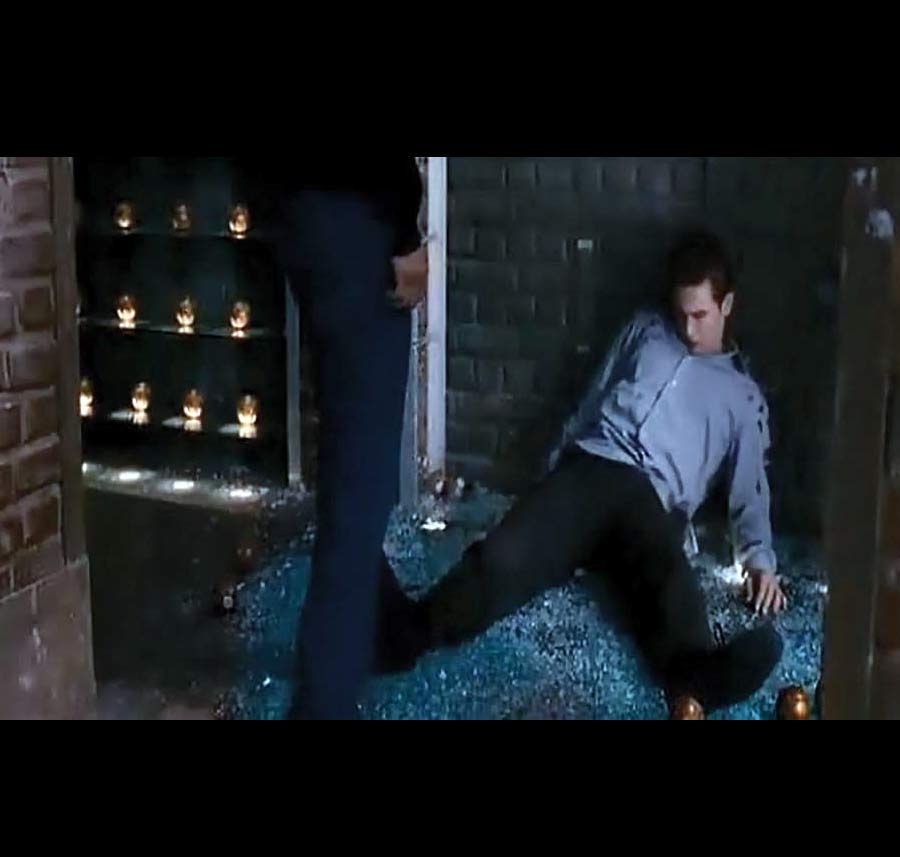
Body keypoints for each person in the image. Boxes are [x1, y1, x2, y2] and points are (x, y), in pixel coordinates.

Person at [388, 230, 786, 715]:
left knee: (665, 578)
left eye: (700, 316)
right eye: (681, 313)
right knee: (505, 558)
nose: (687, 328)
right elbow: (593, 398)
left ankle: (699, 675)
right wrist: (552, 480)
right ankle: (408, 633)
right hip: (595, 464)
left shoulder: (742, 397)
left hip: (652, 496)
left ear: (727, 306)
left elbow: (751, 489)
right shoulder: (646, 330)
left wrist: (759, 561)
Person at [274, 157, 428, 719]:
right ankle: (324, 702)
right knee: (362, 476)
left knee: (350, 449)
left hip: (302, 215)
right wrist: (406, 235)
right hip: (359, 223)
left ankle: (385, 629)